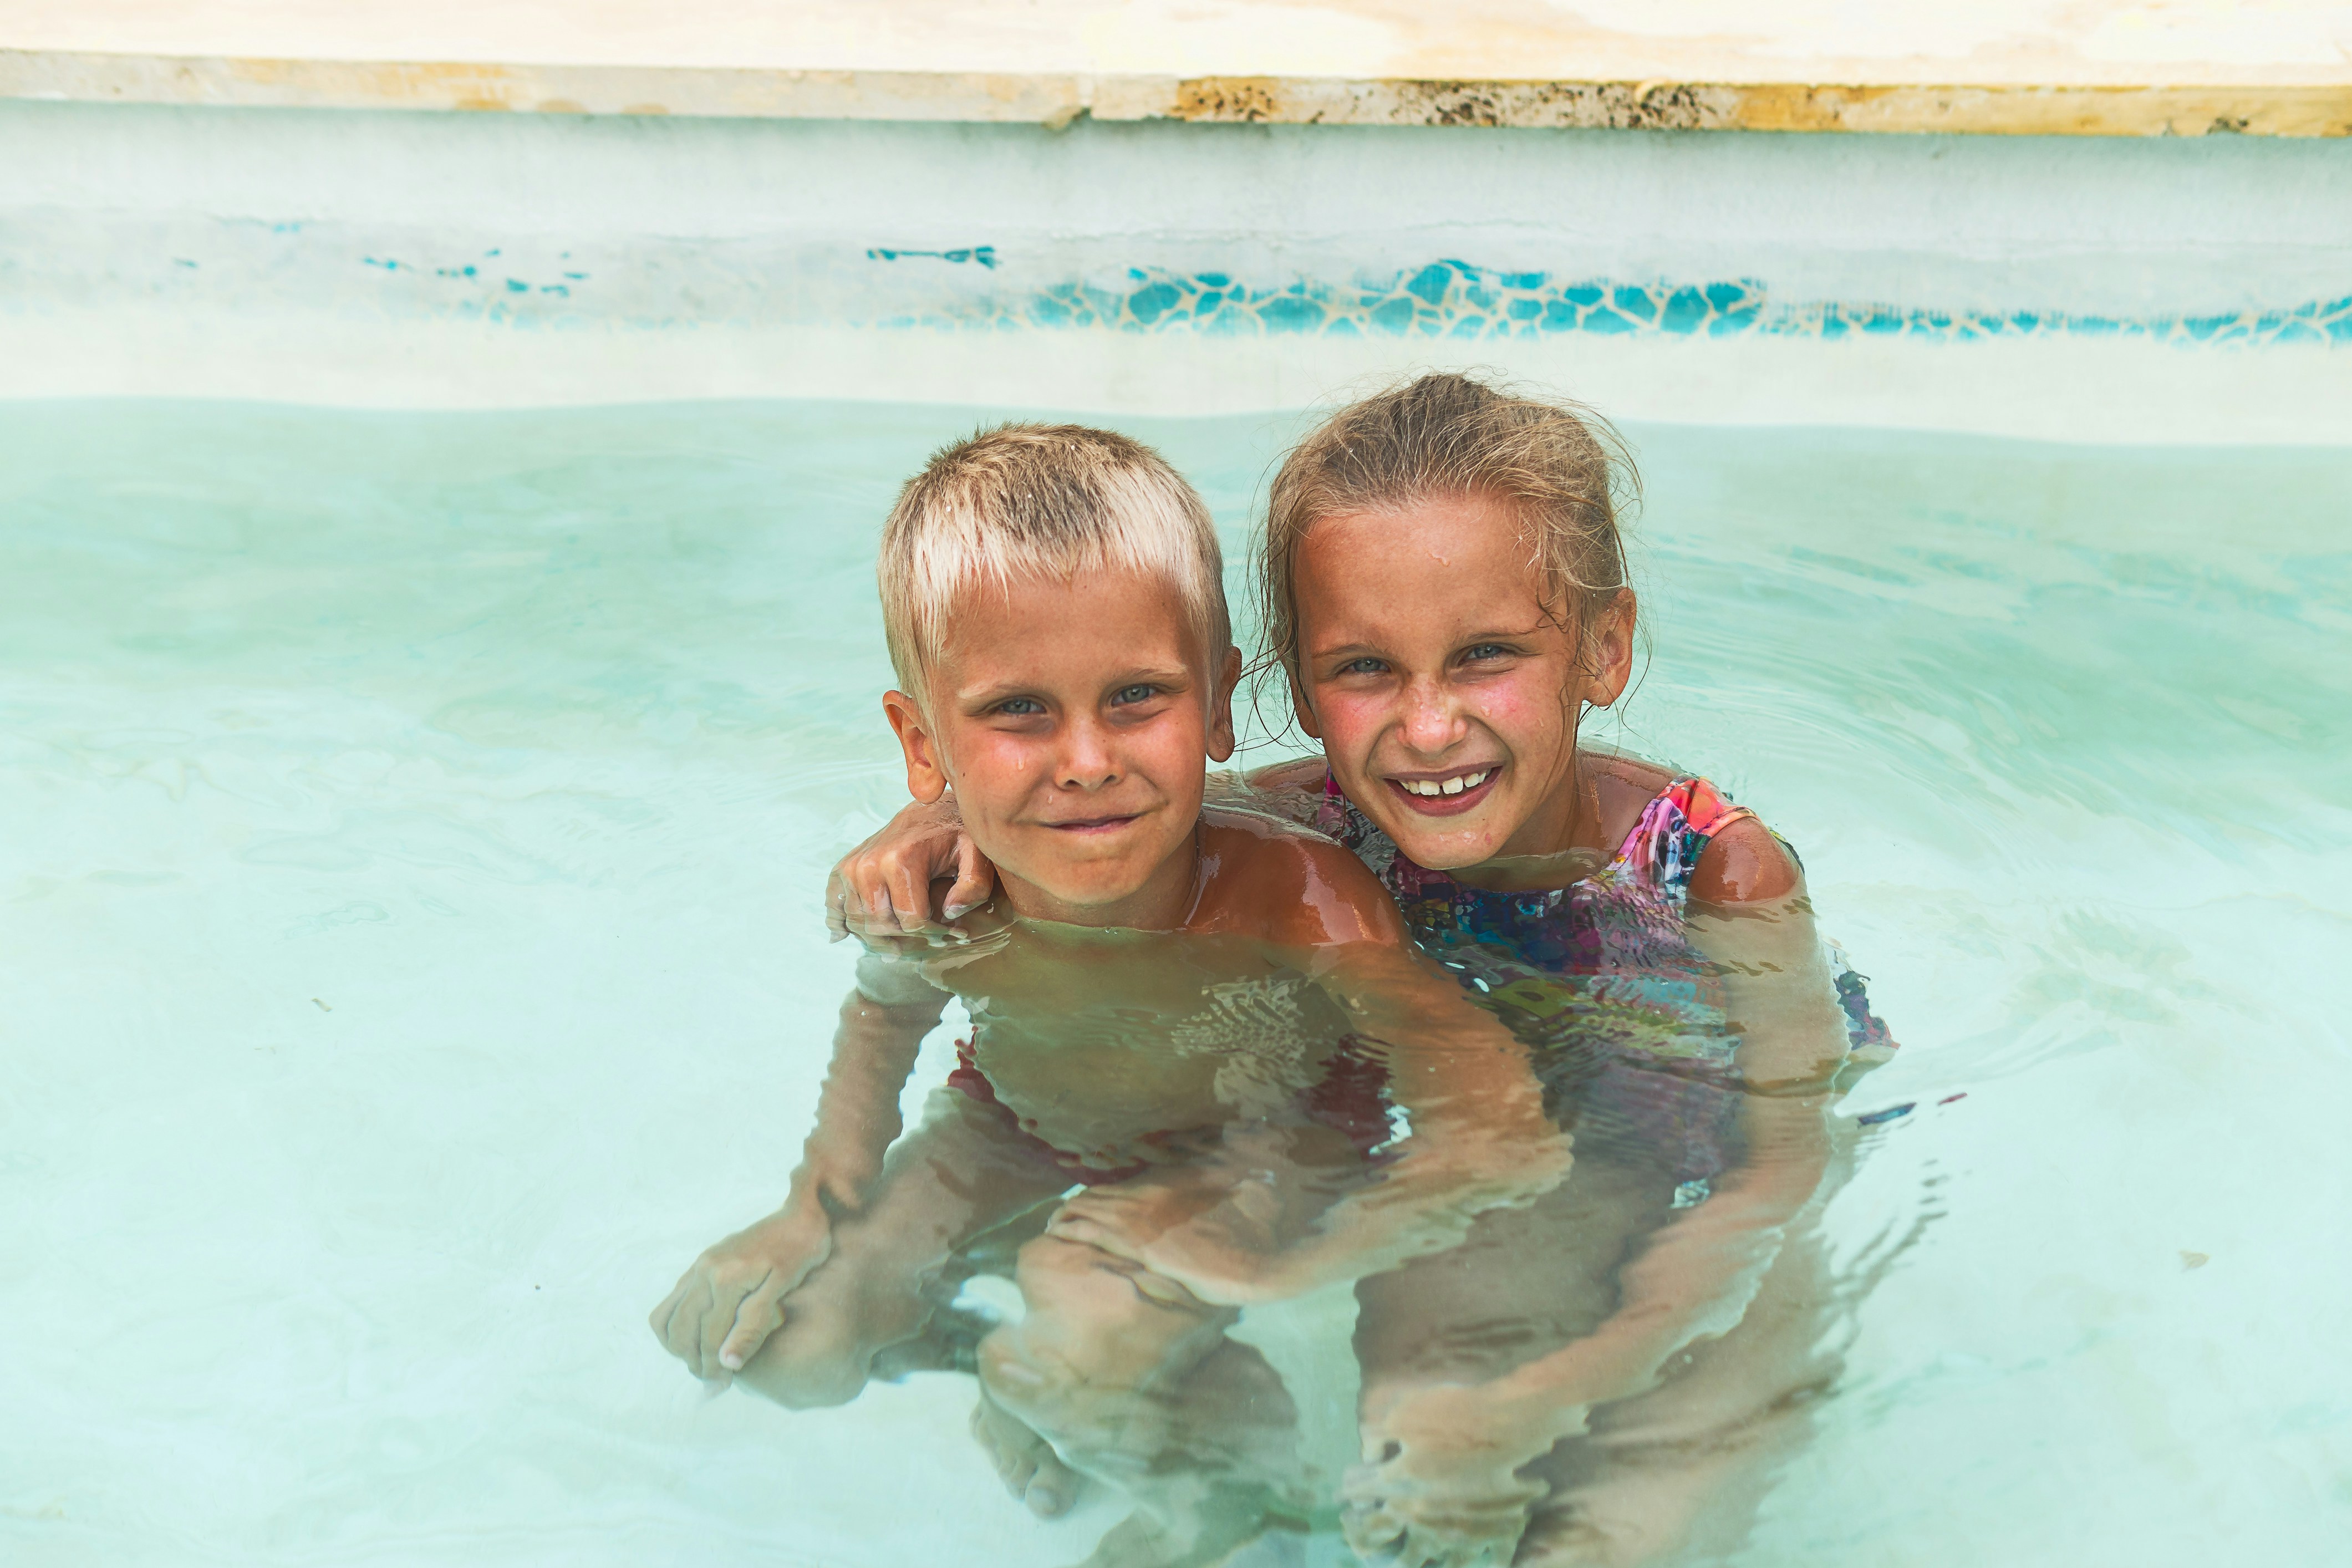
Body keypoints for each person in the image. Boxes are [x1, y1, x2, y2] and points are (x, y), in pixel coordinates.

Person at [829, 375, 1896, 1566]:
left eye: (1484, 654)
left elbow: (1782, 1181)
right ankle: (1225, 1478)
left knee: (1608, 1528)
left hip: (1705, 1156)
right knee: (1413, 1423)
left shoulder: (1719, 876)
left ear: (1604, 646)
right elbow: (1100, 811)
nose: (1428, 728)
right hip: (1502, 1135)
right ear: (1287, 680)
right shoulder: (1327, 823)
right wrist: (924, 827)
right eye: (1366, 668)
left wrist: (1541, 1395)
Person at [651, 422, 1568, 1564]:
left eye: (1137, 695)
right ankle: (1022, 1366)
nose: (1085, 759)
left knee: (1076, 1310)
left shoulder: (1298, 900)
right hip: (1010, 1127)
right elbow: (885, 1018)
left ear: (1221, 704)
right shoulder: (946, 889)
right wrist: (811, 1205)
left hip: (1253, 1142)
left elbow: (1498, 1128)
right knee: (785, 1342)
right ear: (922, 742)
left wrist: (1289, 1263)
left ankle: (1226, 1473)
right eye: (1018, 711)